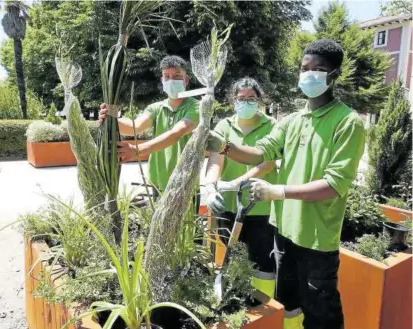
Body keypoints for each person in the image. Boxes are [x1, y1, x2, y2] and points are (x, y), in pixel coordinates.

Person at [206, 39, 366, 329]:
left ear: (335, 75)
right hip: (284, 232)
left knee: (321, 314)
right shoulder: (292, 121)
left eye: (319, 69)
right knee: (288, 306)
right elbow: (261, 152)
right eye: (305, 68)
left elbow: (334, 184)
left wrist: (277, 191)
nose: (310, 74)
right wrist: (224, 146)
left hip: (316, 238)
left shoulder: (347, 122)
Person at [204, 78, 277, 298]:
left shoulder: (272, 126)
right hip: (228, 206)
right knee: (233, 257)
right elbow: (216, 161)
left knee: (261, 261)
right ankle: (236, 301)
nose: (245, 102)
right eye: (241, 98)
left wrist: (238, 182)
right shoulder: (224, 126)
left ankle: (263, 306)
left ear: (259, 100)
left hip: (260, 206)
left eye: (251, 99)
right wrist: (210, 186)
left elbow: (267, 163)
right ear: (233, 101)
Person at [99, 55, 199, 207]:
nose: (171, 80)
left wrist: (137, 150)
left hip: (185, 180)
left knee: (186, 230)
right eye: (167, 76)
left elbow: (176, 133)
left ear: (186, 80)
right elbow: (134, 127)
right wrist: (111, 116)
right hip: (158, 180)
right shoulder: (156, 108)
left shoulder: (196, 107)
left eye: (177, 76)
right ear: (162, 80)